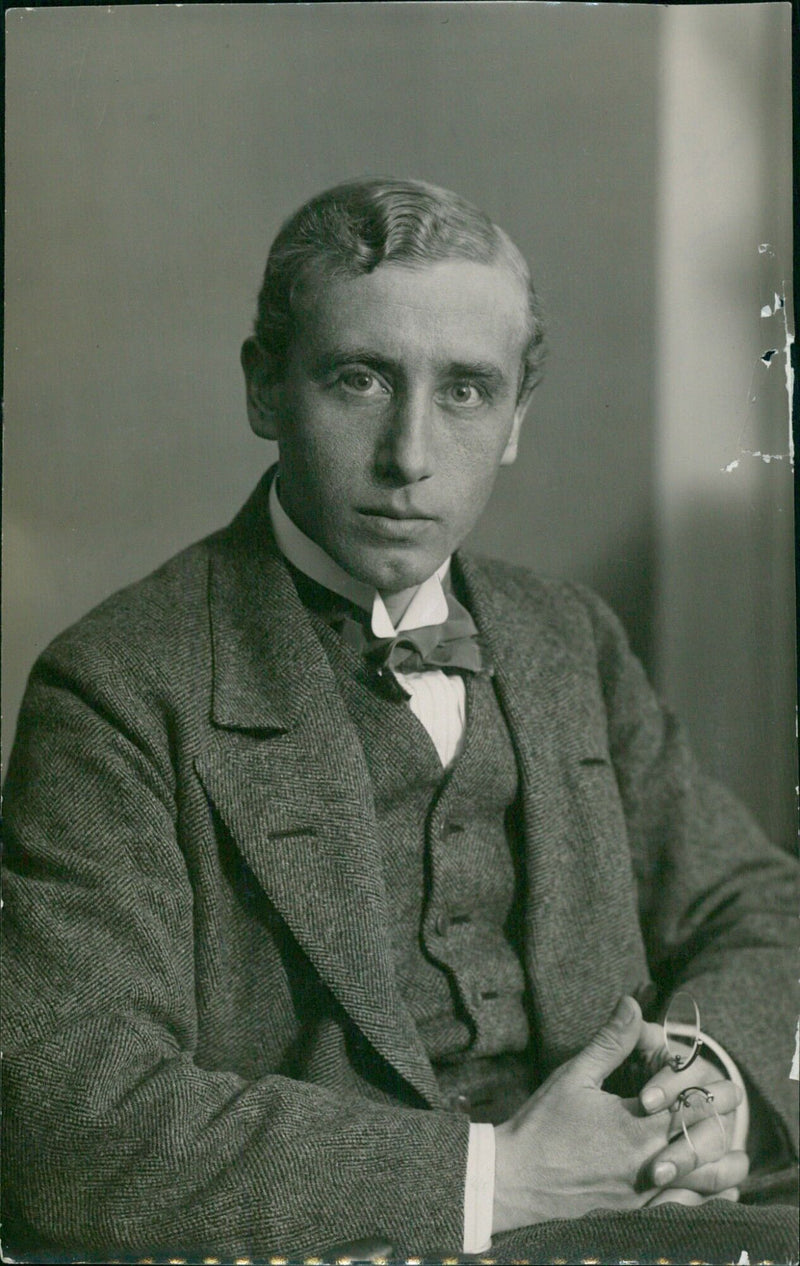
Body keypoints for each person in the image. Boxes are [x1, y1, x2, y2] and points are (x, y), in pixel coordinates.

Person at [2, 178, 797, 1263]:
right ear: (264, 389)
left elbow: (759, 906)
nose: (409, 456)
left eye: (466, 391)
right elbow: (70, 1123)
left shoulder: (566, 638)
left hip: (643, 1219)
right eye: (359, 379)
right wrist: (494, 1179)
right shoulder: (118, 689)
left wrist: (711, 1087)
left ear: (515, 420)